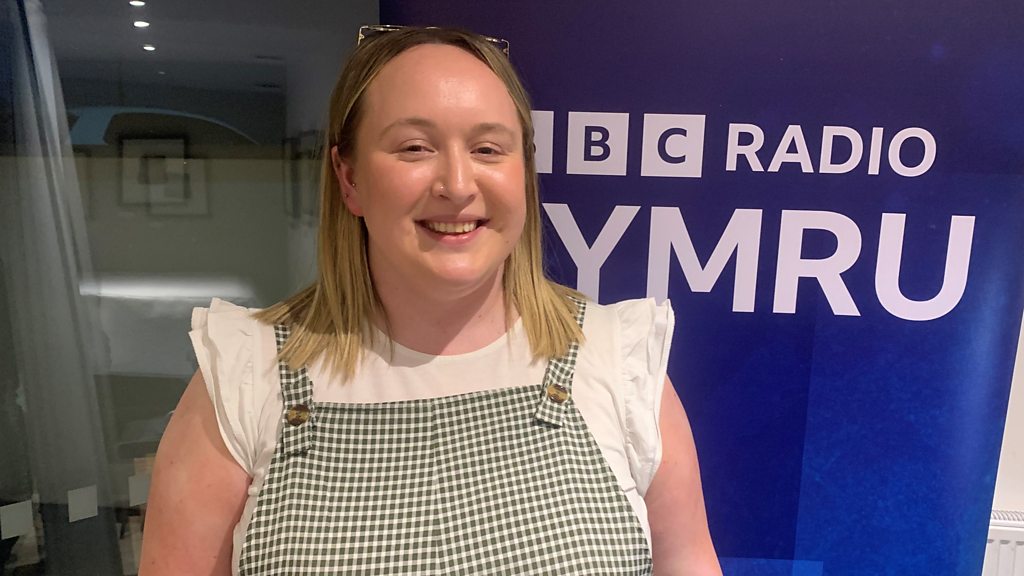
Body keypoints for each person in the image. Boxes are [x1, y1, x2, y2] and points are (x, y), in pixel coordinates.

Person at [140, 26, 721, 575]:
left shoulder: (620, 363)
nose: (459, 185)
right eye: (415, 148)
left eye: (489, 149)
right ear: (349, 178)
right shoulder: (247, 375)